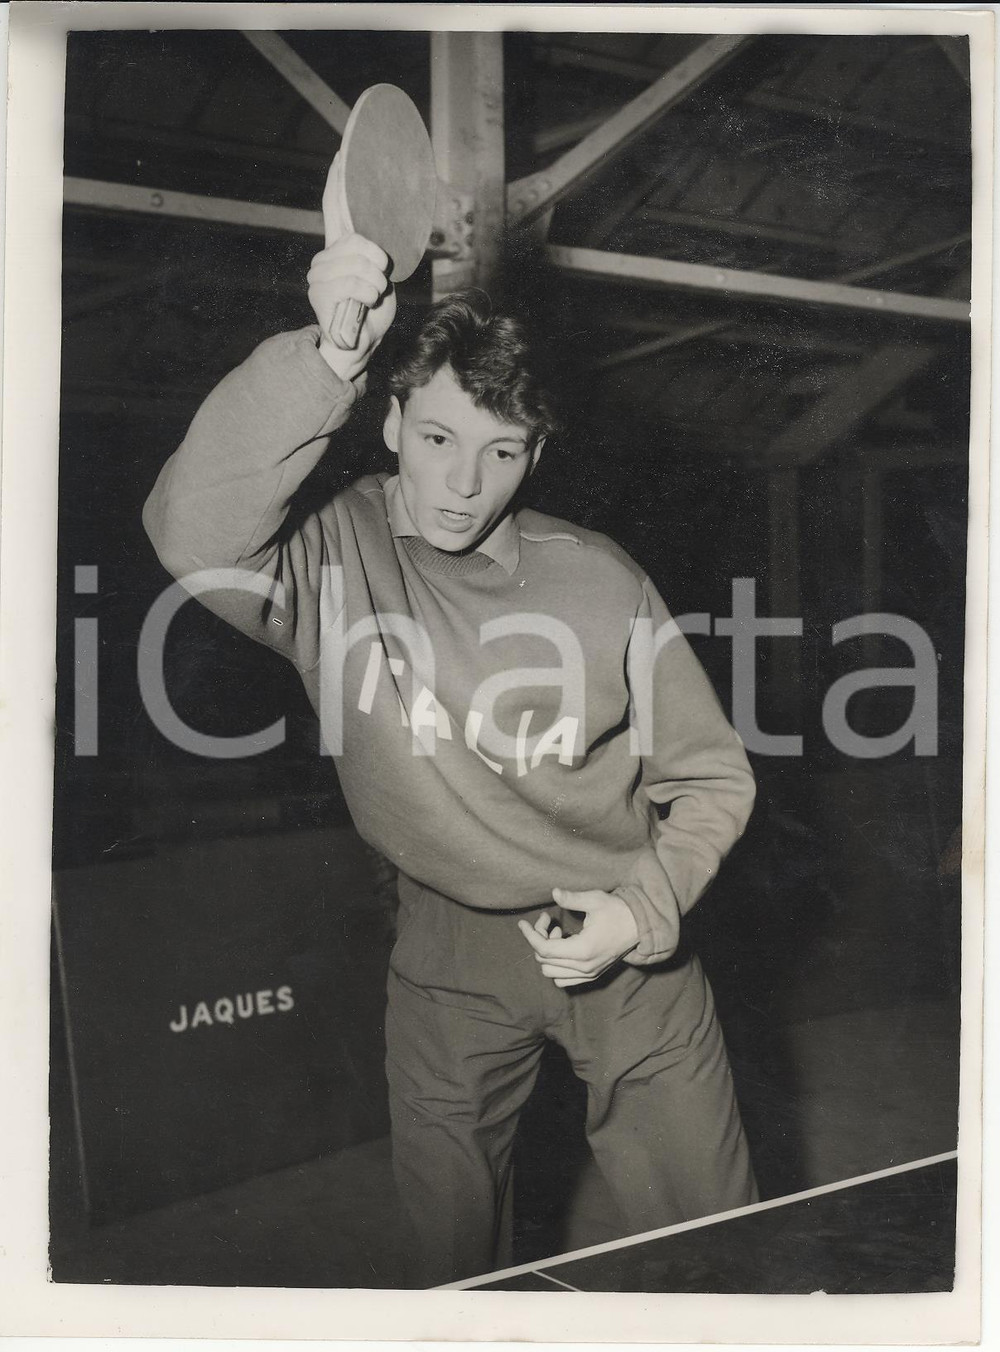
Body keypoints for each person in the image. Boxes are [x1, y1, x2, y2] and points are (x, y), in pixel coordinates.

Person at [143, 157, 758, 1287]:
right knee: (448, 1264)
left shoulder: (601, 580)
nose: (467, 484)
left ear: (537, 452)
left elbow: (712, 778)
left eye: (501, 450)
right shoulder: (331, 554)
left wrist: (641, 910)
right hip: (445, 951)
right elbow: (190, 532)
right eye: (437, 439)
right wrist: (326, 356)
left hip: (628, 942)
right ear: (387, 423)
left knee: (717, 1250)